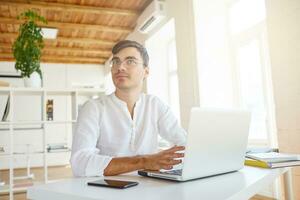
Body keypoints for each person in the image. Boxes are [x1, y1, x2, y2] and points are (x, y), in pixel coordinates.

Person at [70, 40, 186, 177]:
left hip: (149, 188)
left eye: (130, 61)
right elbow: (80, 163)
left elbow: (184, 144)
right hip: (106, 190)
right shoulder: (93, 108)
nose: (120, 67)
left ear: (146, 71)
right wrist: (143, 161)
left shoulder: (155, 105)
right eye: (116, 61)